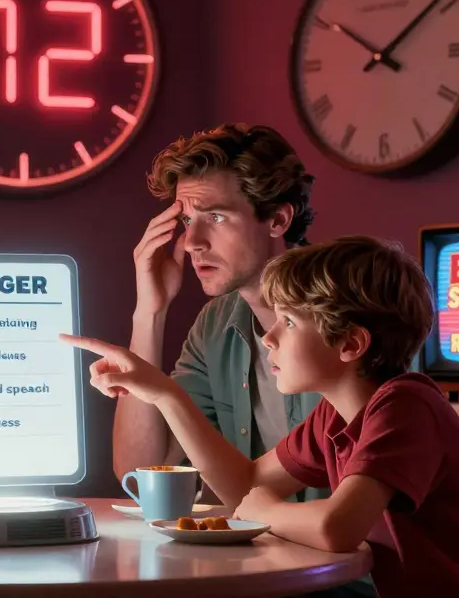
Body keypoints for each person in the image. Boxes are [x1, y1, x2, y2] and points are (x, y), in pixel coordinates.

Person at [65, 236, 459, 597]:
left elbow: (337, 527)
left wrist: (266, 512)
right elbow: (246, 485)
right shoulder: (335, 417)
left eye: (289, 322)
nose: (269, 338)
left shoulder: (405, 407)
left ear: (350, 344)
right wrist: (167, 395)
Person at [114, 124, 320, 487]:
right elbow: (141, 472)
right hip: (266, 540)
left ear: (277, 219)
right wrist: (150, 312)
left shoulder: (346, 314)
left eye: (216, 217)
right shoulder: (216, 324)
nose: (192, 241)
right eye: (187, 221)